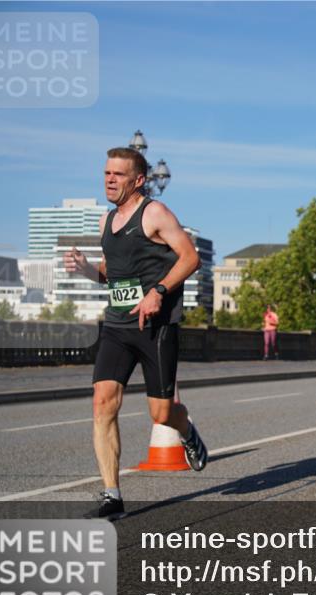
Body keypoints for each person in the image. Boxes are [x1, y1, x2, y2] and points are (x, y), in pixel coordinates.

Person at [64, 147, 209, 520]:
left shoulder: (155, 213)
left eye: (118, 174)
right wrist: (84, 270)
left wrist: (158, 292)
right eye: (106, 173)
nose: (109, 180)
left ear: (139, 180)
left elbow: (190, 257)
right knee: (102, 404)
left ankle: (186, 428)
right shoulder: (106, 222)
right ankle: (112, 495)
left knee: (161, 414)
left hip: (155, 327)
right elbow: (111, 274)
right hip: (117, 326)